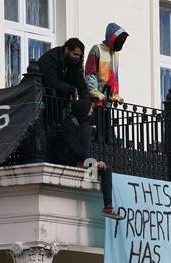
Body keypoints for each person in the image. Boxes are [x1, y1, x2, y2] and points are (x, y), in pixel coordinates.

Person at [39, 37, 122, 219]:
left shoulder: (84, 125)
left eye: (80, 56)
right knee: (96, 163)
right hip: (70, 162)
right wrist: (88, 159)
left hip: (81, 163)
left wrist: (85, 99)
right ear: (67, 50)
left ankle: (107, 207)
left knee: (105, 168)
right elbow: (76, 148)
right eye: (75, 55)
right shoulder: (68, 126)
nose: (78, 58)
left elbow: (81, 83)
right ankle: (93, 173)